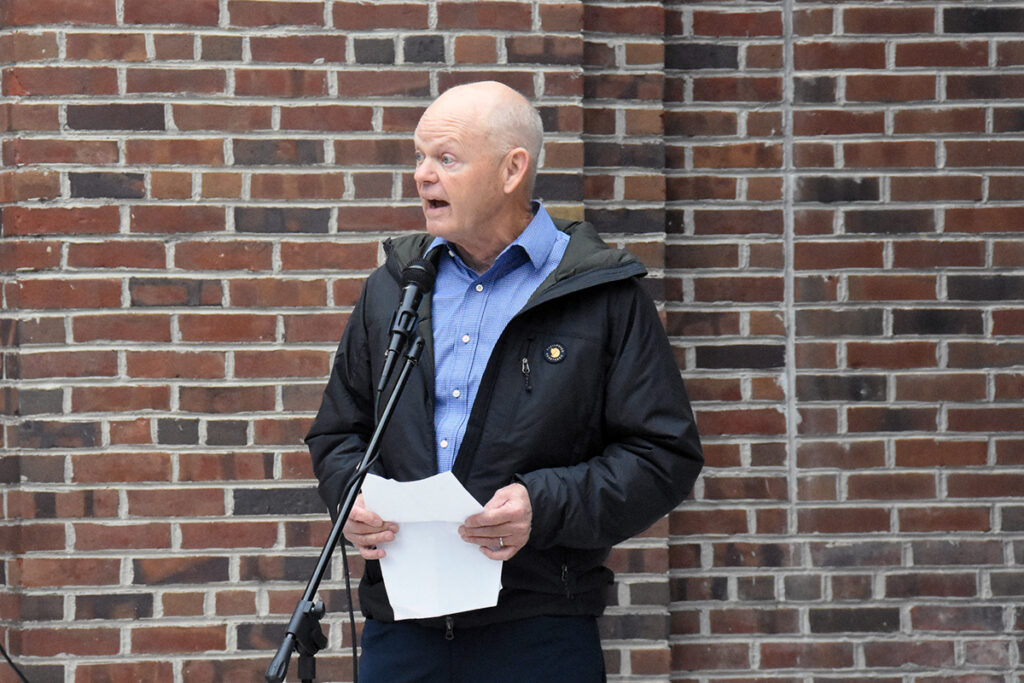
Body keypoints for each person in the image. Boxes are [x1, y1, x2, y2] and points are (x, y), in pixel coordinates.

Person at [306, 81, 704, 682]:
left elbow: (662, 456)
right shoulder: (394, 289)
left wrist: (542, 505)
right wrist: (353, 499)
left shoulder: (601, 294)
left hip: (539, 627)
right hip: (402, 627)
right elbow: (339, 433)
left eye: (446, 158)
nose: (422, 175)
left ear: (513, 168)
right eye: (418, 157)